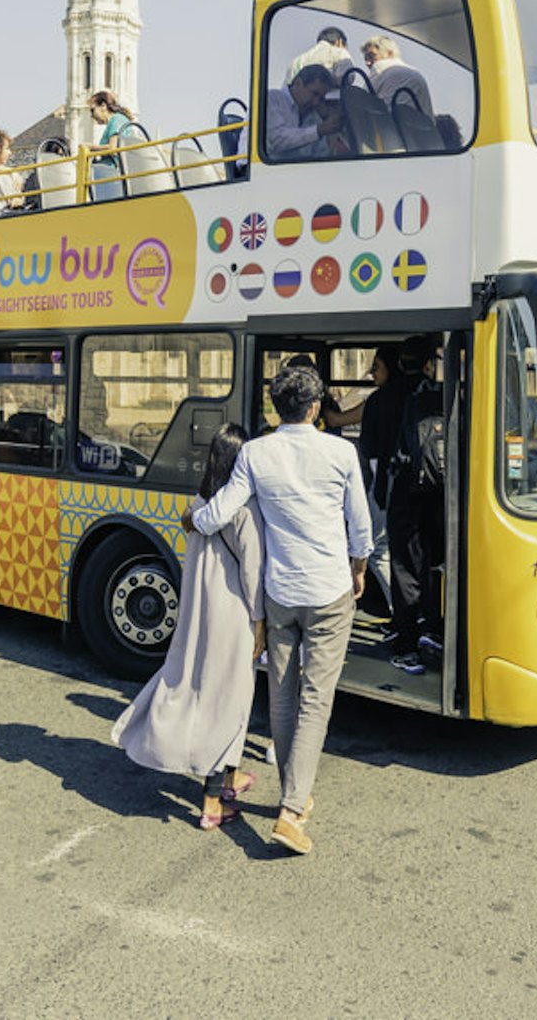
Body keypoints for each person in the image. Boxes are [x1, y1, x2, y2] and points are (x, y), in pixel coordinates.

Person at [184, 365, 371, 855]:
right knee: (316, 699)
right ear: (315, 408)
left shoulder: (256, 452)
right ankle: (291, 808)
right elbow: (360, 522)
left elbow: (220, 510)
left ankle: (295, 795)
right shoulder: (341, 452)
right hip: (329, 591)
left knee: (283, 695)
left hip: (280, 593)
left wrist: (192, 517)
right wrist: (359, 567)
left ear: (275, 408)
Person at [112, 424, 267, 830]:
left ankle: (230, 776)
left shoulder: (197, 505)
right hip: (234, 617)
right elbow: (253, 573)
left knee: (199, 689)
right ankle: (213, 802)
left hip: (200, 615)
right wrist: (262, 622)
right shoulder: (245, 510)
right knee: (229, 701)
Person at [384, 335, 445, 675]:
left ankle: (408, 642)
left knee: (405, 567)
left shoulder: (401, 398)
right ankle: (432, 631)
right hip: (441, 497)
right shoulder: (459, 396)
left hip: (407, 494)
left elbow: (381, 446)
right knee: (433, 565)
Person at [355, 345, 408, 612]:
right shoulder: (417, 393)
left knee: (376, 550)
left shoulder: (378, 401)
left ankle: (401, 612)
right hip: (416, 489)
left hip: (386, 486)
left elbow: (370, 454)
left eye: (376, 367)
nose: (371, 373)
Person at [265, 65, 343, 162]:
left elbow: (321, 155)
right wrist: (318, 130)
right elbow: (276, 140)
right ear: (298, 83)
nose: (316, 102)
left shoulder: (314, 118)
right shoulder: (271, 99)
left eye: (321, 98)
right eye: (314, 94)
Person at [361, 35, 433, 118]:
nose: (368, 63)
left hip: (385, 127)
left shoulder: (381, 66)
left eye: (371, 56)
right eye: (366, 59)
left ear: (390, 53)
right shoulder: (417, 74)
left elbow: (362, 102)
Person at [285, 26, 353, 87]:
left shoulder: (297, 61)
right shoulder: (339, 52)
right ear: (339, 42)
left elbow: (287, 87)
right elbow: (348, 77)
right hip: (330, 100)